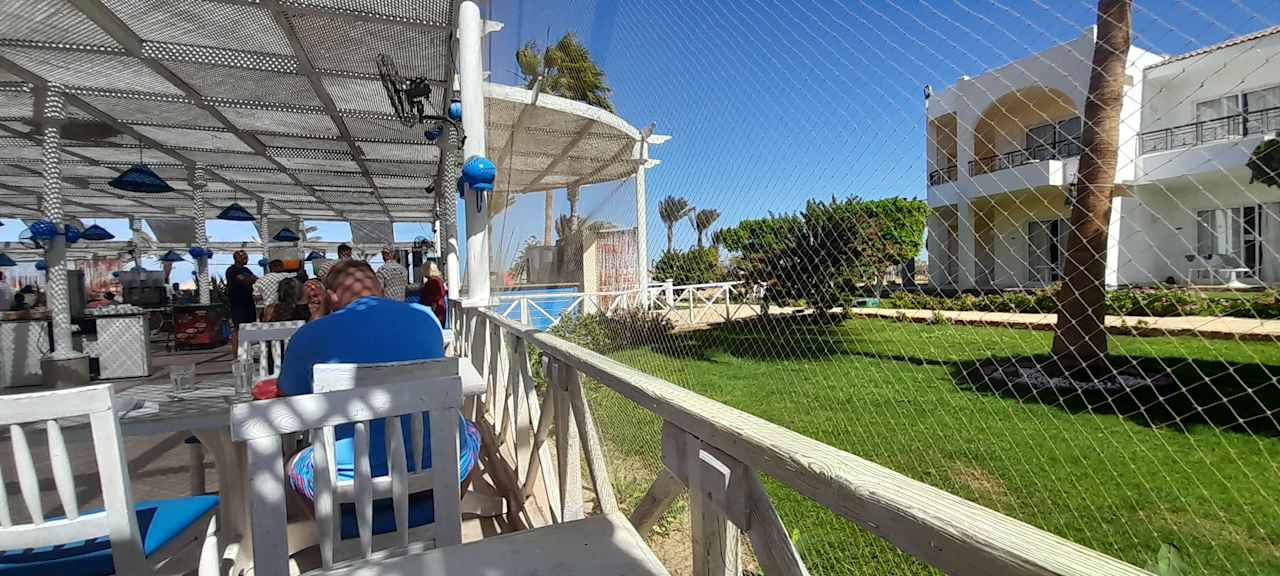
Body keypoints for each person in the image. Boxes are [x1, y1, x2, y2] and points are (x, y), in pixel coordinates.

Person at [276, 260, 479, 506]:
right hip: (440, 469)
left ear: (331, 297)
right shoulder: (426, 318)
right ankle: (444, 512)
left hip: (348, 486)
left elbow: (288, 402)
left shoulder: (309, 335)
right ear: (380, 290)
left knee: (292, 464)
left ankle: (337, 528)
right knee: (471, 432)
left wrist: (319, 316)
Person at [225, 250, 257, 351]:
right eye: (243, 257)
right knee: (237, 328)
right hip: (238, 304)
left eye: (246, 257)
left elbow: (256, 279)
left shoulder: (246, 269)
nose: (246, 259)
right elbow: (245, 280)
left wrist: (250, 278)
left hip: (249, 303)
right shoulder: (232, 270)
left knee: (250, 326)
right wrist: (250, 279)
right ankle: (236, 354)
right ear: (237, 258)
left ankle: (248, 351)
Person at [419, 260, 447, 326]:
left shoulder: (433, 281)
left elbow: (437, 296)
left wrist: (432, 306)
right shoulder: (437, 280)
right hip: (438, 310)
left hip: (435, 311)